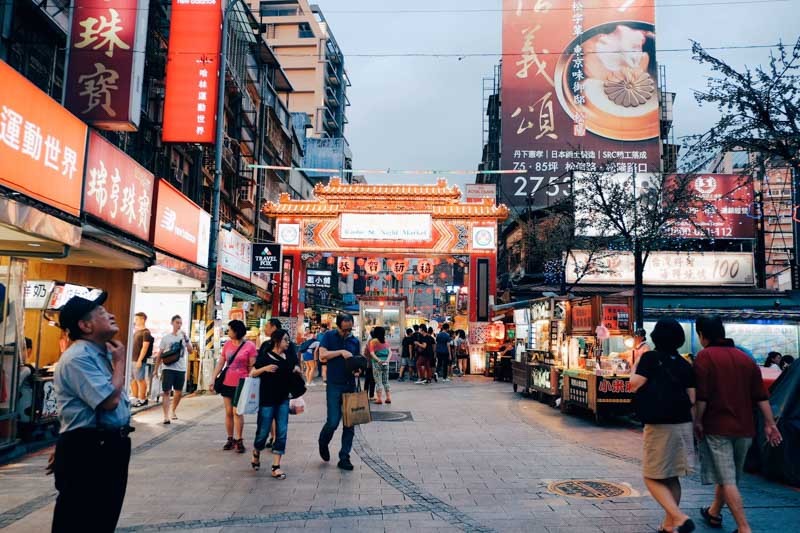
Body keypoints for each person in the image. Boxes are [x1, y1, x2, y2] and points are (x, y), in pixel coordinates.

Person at [694, 316, 782, 533]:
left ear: (702, 335)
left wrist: (697, 421)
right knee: (730, 476)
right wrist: (770, 424)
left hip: (717, 427)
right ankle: (714, 512)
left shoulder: (704, 357)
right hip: (745, 428)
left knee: (727, 478)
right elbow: (761, 396)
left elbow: (702, 398)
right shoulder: (745, 359)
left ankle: (744, 527)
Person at [52, 293, 132, 532]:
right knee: (81, 518)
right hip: (90, 447)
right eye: (102, 313)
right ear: (85, 326)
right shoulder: (79, 358)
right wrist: (120, 364)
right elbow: (109, 400)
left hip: (104, 445)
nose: (111, 315)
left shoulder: (99, 353)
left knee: (102, 517)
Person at [630, 319, 696, 533]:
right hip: (684, 423)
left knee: (651, 476)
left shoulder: (650, 358)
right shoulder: (685, 364)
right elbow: (692, 398)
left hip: (659, 425)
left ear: (656, 337)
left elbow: (634, 384)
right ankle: (669, 525)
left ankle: (679, 517)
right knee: (672, 475)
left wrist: (634, 367)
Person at [250, 328, 301, 479]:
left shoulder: (289, 357)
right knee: (263, 432)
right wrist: (265, 369)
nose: (288, 342)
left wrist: (297, 370)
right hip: (267, 399)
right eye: (285, 339)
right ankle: (256, 450)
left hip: (283, 399)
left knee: (282, 432)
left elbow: (296, 370)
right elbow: (252, 373)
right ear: (277, 341)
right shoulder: (265, 357)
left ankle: (276, 465)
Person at [318, 313, 361, 471]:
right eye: (344, 330)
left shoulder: (354, 341)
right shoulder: (328, 336)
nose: (346, 333)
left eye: (349, 330)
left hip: (350, 385)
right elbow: (322, 355)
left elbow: (355, 358)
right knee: (333, 421)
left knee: (349, 424)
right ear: (338, 326)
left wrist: (358, 367)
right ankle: (323, 442)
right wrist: (340, 352)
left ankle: (344, 457)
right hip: (334, 384)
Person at [210, 320, 257, 453]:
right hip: (227, 382)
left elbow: (252, 365)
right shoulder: (227, 345)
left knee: (238, 412)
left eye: (229, 329)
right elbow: (221, 363)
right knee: (229, 412)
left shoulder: (249, 346)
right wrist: (213, 378)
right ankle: (230, 439)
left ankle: (239, 439)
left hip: (242, 383)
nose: (228, 332)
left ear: (236, 331)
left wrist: (250, 380)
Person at [154, 315, 190, 424]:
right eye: (177, 322)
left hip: (181, 368)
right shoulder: (166, 338)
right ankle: (166, 416)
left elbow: (191, 351)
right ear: (172, 323)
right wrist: (156, 369)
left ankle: (173, 410)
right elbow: (160, 354)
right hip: (168, 368)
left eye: (180, 323)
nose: (179, 325)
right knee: (166, 392)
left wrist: (186, 340)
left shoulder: (184, 338)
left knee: (178, 392)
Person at [130, 312, 153, 407]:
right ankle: (135, 398)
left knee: (140, 379)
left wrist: (140, 360)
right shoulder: (136, 332)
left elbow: (145, 347)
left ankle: (143, 399)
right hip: (132, 359)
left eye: (137, 319)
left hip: (138, 360)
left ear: (143, 319)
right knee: (132, 380)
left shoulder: (146, 333)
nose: (135, 321)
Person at [368, 326, 392, 404]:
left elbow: (372, 353)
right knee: (386, 381)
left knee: (378, 381)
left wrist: (378, 360)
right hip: (386, 362)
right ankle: (388, 397)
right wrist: (387, 360)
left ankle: (379, 399)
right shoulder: (385, 341)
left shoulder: (373, 341)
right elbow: (390, 352)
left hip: (377, 363)